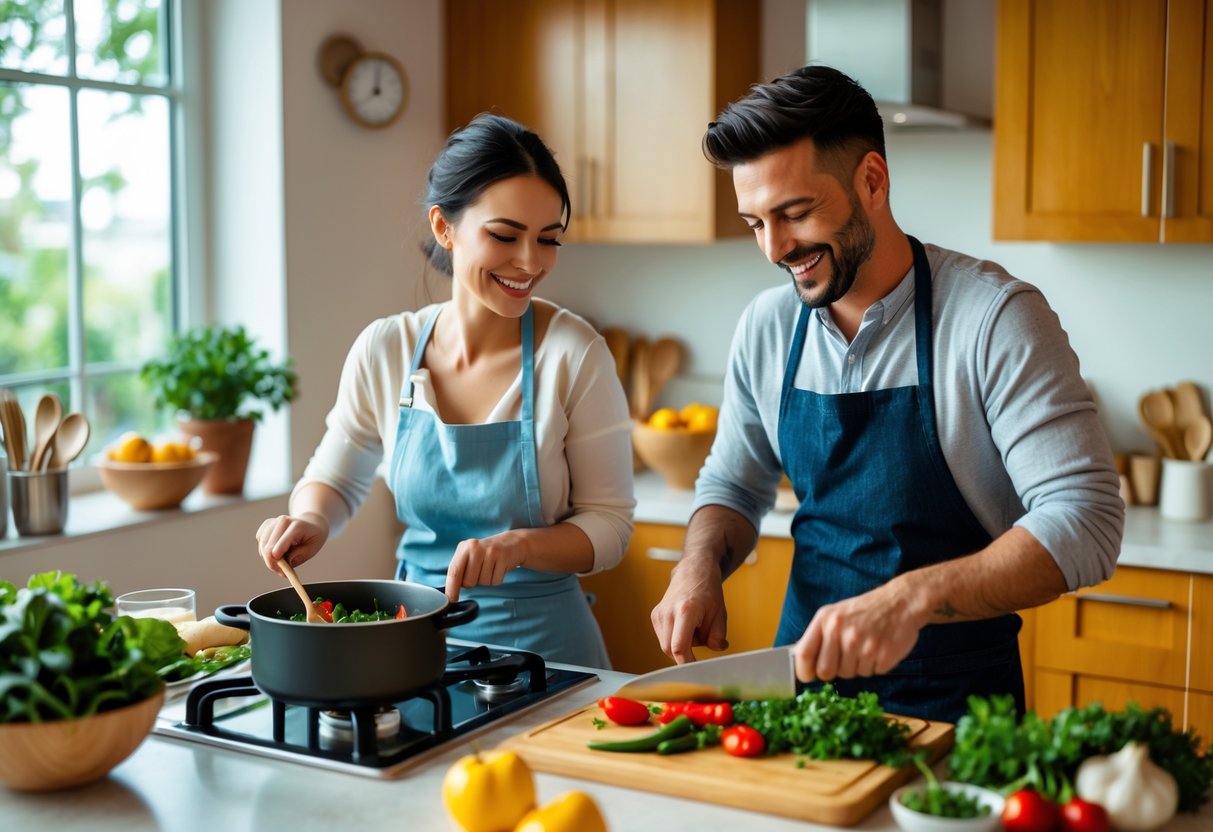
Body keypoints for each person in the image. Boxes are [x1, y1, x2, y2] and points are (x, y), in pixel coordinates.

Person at [650, 66, 1125, 722]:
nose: (774, 248)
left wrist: (909, 599)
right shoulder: (766, 325)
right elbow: (732, 486)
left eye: (793, 214)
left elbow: (1084, 520)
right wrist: (697, 564)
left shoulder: (993, 318)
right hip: (803, 695)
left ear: (871, 180)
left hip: (958, 707)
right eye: (756, 222)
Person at [255, 113, 634, 667]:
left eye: (548, 239)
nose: (530, 262)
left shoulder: (574, 354)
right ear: (444, 227)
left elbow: (610, 527)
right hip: (414, 643)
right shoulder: (385, 348)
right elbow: (335, 478)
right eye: (504, 235)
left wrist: (521, 545)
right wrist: (310, 519)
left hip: (549, 658)